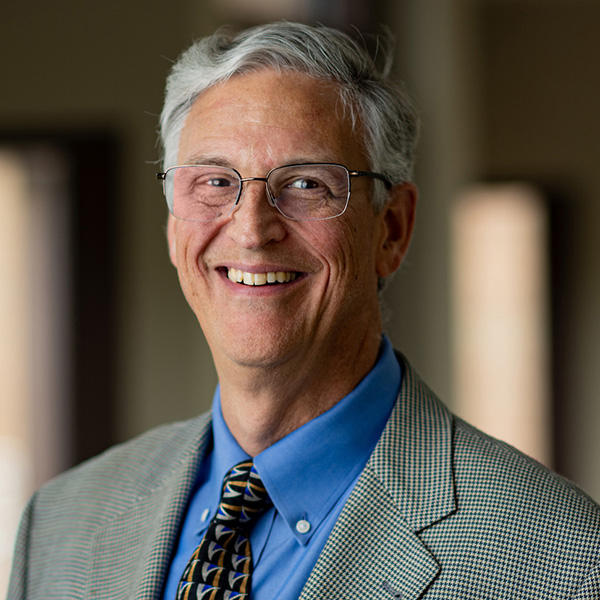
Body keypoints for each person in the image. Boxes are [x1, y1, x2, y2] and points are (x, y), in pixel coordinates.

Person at [8, 22, 600, 600]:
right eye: (215, 182)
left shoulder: (564, 561)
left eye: (307, 184)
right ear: (172, 229)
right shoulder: (61, 524)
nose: (251, 229)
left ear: (391, 230)